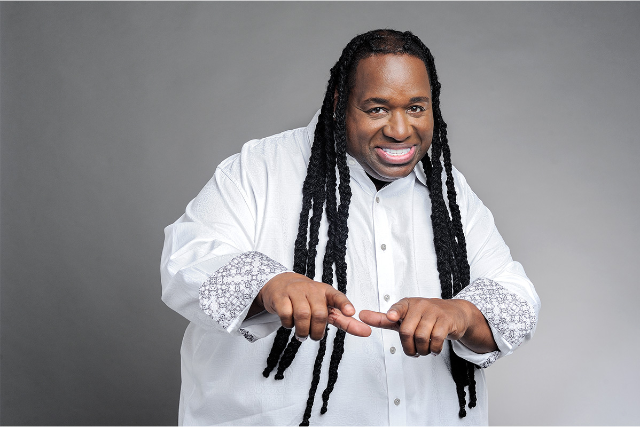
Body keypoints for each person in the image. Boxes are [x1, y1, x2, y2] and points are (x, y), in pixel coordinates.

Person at [160, 29, 540, 426]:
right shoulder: (260, 168)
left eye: (416, 108)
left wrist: (462, 313)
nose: (400, 130)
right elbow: (184, 262)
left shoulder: (449, 191)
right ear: (339, 104)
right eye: (377, 109)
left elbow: (516, 300)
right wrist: (270, 285)